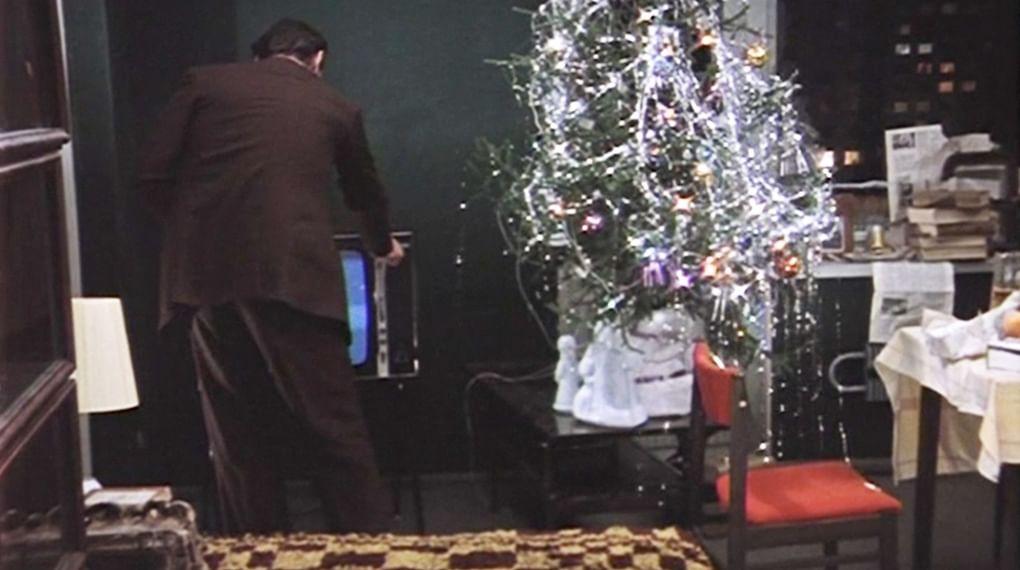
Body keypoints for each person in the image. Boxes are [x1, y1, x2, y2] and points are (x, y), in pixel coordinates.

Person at [137, 18, 401, 534]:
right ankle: (371, 549)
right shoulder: (335, 105)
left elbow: (151, 173)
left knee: (235, 435)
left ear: (260, 57)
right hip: (291, 274)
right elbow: (365, 193)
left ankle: (255, 553)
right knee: (334, 428)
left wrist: (197, 230)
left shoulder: (205, 83)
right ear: (317, 60)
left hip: (206, 277)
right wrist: (381, 245)